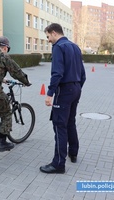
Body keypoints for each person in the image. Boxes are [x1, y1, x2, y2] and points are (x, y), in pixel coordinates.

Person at [39, 23, 86, 174]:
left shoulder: (59, 47)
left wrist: (50, 93)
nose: (48, 40)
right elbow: (82, 73)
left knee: (60, 125)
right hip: (76, 88)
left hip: (64, 90)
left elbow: (57, 73)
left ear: (54, 33)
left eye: (48, 37)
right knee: (70, 121)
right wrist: (76, 88)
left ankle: (58, 163)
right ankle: (73, 152)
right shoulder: (75, 46)